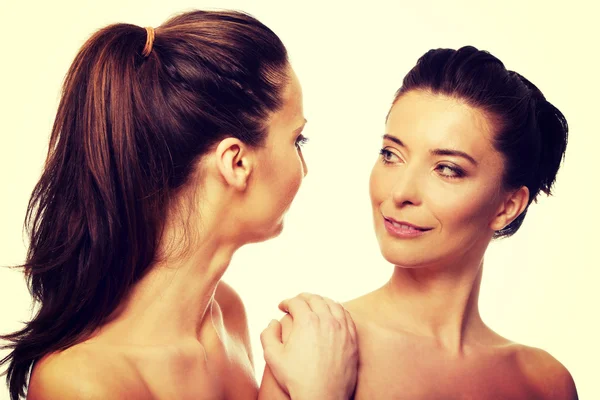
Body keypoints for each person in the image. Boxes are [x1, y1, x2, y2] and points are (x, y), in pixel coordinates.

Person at [0, 10, 358, 400]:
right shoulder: (81, 383)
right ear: (236, 162)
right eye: (297, 140)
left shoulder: (227, 312)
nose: (304, 170)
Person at [260, 46, 578, 399]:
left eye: (447, 169)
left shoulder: (545, 383)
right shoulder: (315, 343)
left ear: (507, 205)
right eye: (391, 155)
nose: (400, 192)